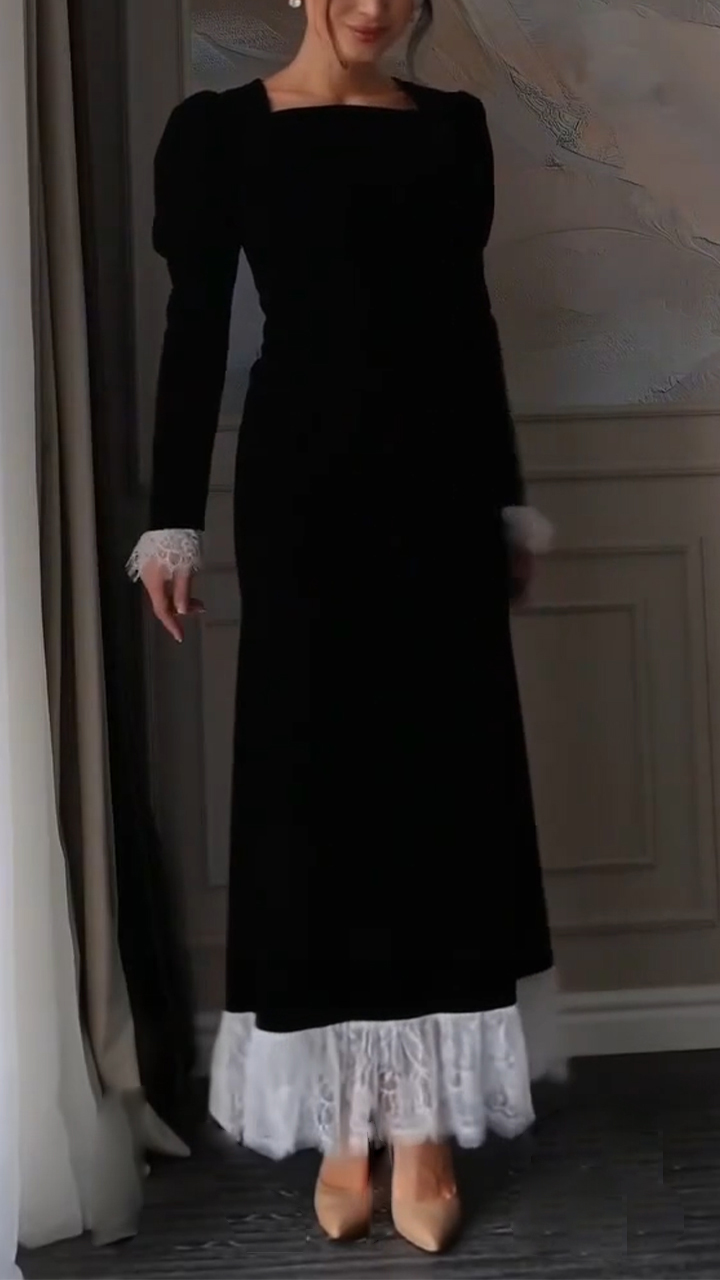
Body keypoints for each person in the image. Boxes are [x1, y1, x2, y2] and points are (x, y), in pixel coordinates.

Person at [128, 0, 562, 1254]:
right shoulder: (220, 133)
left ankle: (424, 1122)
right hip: (304, 495)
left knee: (440, 800)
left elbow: (470, 325)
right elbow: (196, 325)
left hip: (440, 498)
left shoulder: (453, 129)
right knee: (316, 795)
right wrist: (171, 523)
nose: (374, 3)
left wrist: (506, 501)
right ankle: (345, 1117)